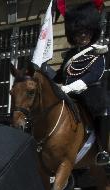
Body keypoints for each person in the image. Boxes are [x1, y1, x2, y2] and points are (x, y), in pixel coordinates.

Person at [55, 1, 109, 165]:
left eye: (85, 33)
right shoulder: (70, 56)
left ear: (91, 32)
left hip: (90, 92)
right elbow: (59, 76)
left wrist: (71, 86)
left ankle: (103, 150)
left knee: (103, 111)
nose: (82, 36)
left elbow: (94, 75)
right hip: (68, 93)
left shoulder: (97, 52)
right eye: (78, 34)